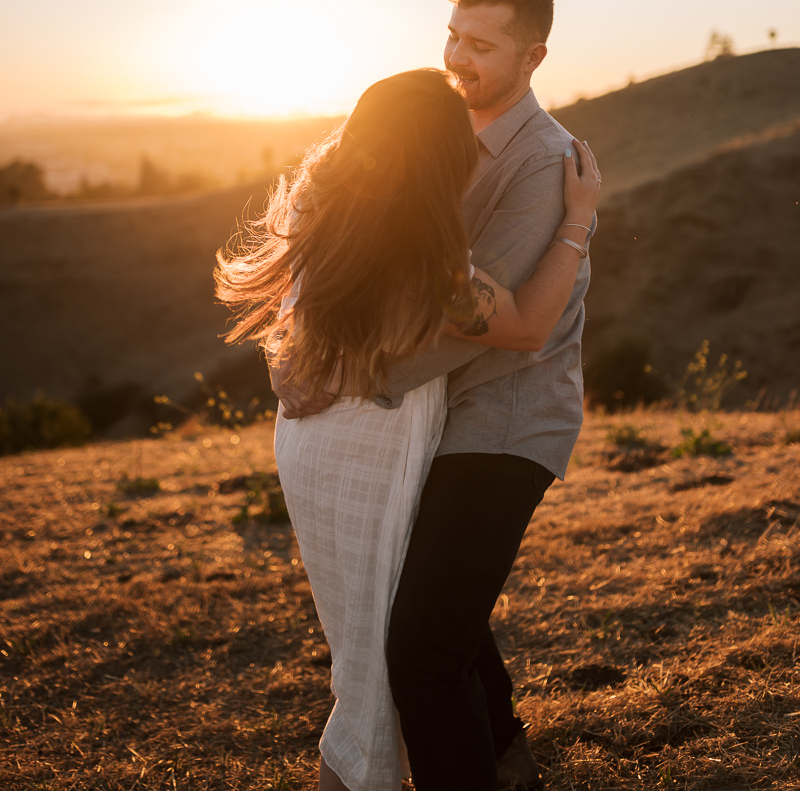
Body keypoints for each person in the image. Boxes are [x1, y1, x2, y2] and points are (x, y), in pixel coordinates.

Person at [217, 61, 600, 791]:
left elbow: (289, 327)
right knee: (373, 670)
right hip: (375, 445)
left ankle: (497, 753)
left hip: (307, 444)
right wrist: (578, 218)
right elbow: (526, 326)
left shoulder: (320, 202)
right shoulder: (426, 258)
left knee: (367, 645)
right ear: (441, 160)